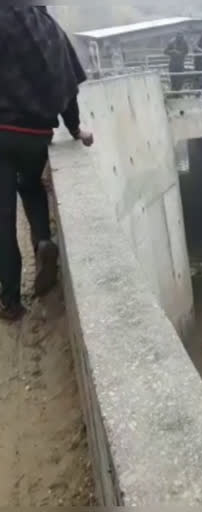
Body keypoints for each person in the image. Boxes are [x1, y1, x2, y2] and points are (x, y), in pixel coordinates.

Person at [0, 6, 94, 322]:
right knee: (30, 186)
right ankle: (42, 240)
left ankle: (11, 303)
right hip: (36, 133)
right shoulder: (49, 28)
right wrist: (76, 128)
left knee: (3, 220)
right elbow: (67, 86)